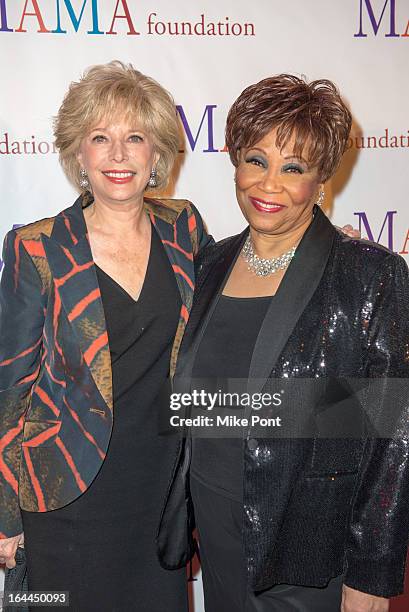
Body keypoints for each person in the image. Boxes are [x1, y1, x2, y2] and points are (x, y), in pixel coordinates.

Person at [158, 75, 409, 611]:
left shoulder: (369, 276)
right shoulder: (209, 264)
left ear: (321, 181)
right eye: (256, 160)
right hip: (218, 537)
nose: (268, 184)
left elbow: (392, 438)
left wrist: (372, 575)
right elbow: (204, 404)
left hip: (306, 553)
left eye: (292, 168)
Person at [0, 61, 212, 611]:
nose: (119, 155)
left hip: (161, 490)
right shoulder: (37, 249)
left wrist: (326, 249)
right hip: (66, 497)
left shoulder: (183, 226)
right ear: (79, 156)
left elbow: (244, 278)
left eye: (135, 138)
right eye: (101, 138)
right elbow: (7, 394)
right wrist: (4, 513)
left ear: (157, 155)